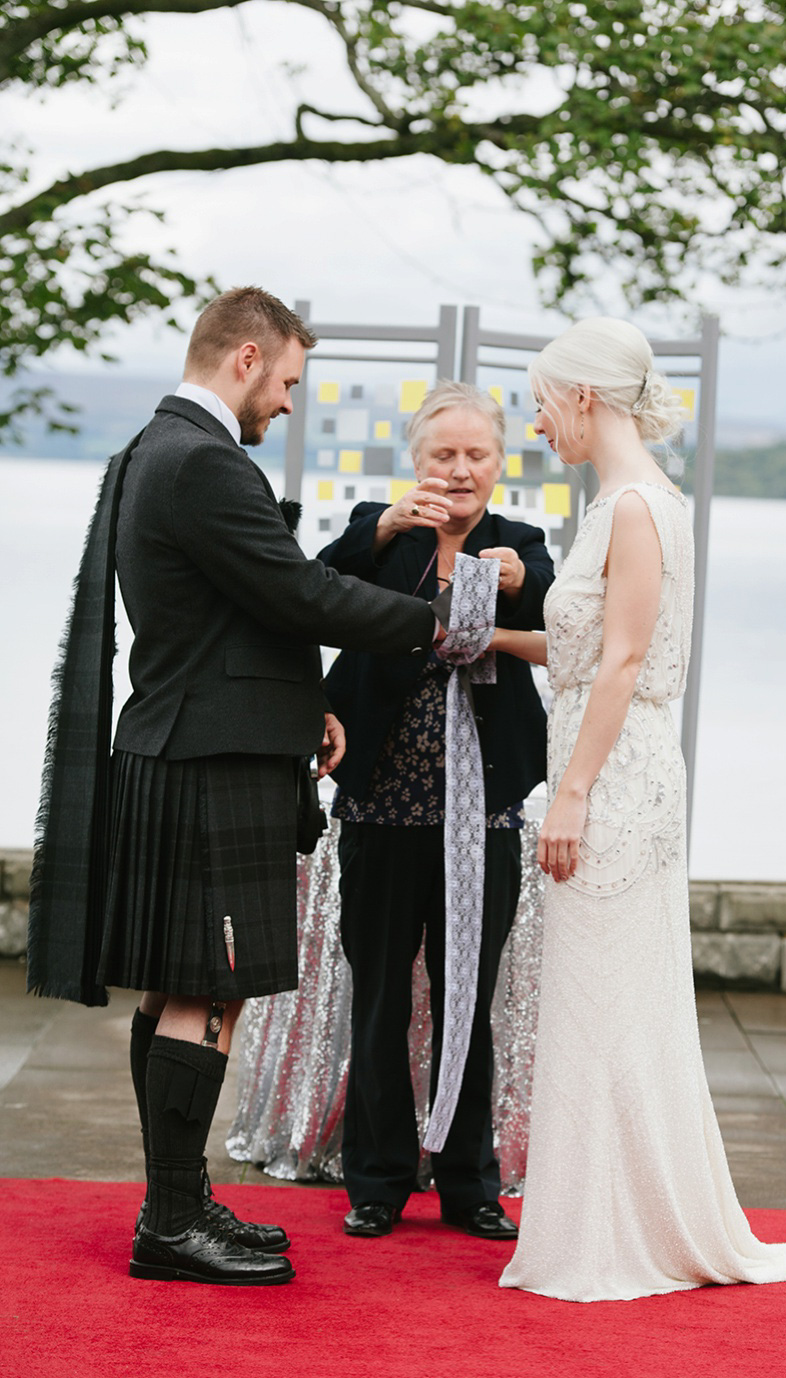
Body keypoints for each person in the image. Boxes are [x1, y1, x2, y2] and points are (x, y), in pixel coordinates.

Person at [27, 287, 445, 1286]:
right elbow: (294, 592)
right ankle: (171, 1224)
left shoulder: (155, 450)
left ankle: (175, 1200)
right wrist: (437, 621)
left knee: (183, 985)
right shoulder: (203, 461)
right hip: (212, 760)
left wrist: (309, 710)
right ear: (248, 358)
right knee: (209, 990)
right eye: (291, 381)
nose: (290, 403)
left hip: (197, 740)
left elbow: (236, 616)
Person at [490, 317, 786, 1300]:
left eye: (545, 403)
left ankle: (612, 1234)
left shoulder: (635, 507)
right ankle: (603, 1215)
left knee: (605, 999)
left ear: (584, 398)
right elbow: (590, 649)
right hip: (606, 764)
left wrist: (574, 794)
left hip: (618, 782)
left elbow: (627, 664)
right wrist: (491, 641)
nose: (540, 422)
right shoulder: (622, 504)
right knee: (600, 1000)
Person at [319, 381, 555, 1240]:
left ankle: (470, 1184)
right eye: (442, 455)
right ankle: (377, 1182)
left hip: (481, 812)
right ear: (414, 462)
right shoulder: (379, 532)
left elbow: (563, 623)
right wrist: (382, 526)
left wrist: (524, 580)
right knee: (380, 993)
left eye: (476, 455)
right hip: (382, 802)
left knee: (471, 995)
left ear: (499, 463)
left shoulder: (518, 543)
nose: (459, 470)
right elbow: (309, 590)